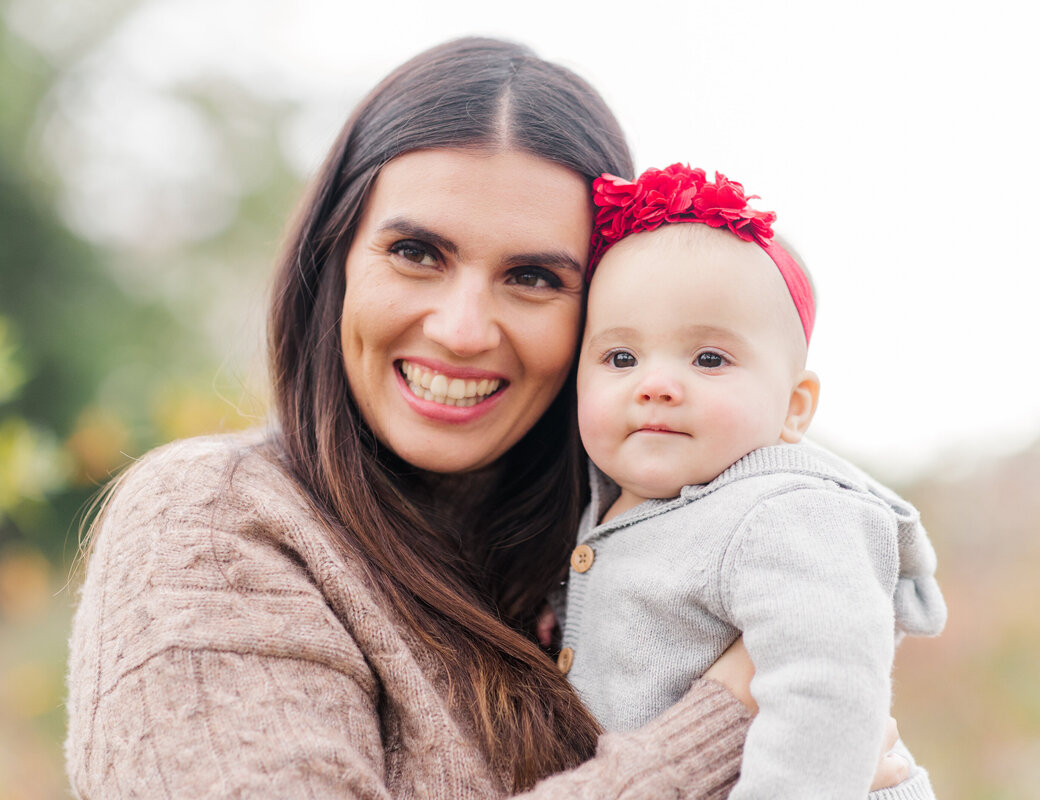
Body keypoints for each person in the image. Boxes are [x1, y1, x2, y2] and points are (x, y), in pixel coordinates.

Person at [64, 41, 910, 798]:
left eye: (534, 277)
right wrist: (727, 717)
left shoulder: (652, 543)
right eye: (417, 253)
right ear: (336, 261)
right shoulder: (215, 523)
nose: (464, 330)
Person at [558, 163, 947, 798]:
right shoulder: (617, 503)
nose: (655, 384)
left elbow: (828, 689)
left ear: (795, 407)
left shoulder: (787, 513)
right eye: (620, 357)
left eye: (709, 358)